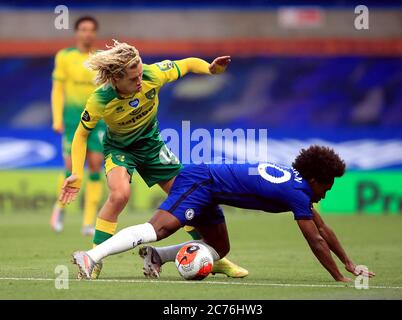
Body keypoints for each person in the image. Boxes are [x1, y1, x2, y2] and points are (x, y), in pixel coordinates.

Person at [60, 40, 248, 279]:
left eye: (140, 74)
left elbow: (189, 64)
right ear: (116, 79)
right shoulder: (100, 99)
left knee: (188, 196)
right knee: (119, 195)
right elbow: (81, 134)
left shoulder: (153, 73)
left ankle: (214, 257)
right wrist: (76, 172)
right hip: (120, 149)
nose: (140, 81)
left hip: (152, 146)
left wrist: (210, 70)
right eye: (133, 78)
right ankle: (95, 259)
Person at [70, 145, 376, 282]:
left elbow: (324, 231)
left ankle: (156, 257)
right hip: (202, 181)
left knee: (220, 249)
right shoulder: (298, 192)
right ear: (314, 179)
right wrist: (338, 278)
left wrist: (349, 264)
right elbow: (316, 241)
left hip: (212, 188)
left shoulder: (298, 187)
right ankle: (92, 255)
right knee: (159, 228)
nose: (328, 190)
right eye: (328, 184)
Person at [50, 16, 105, 236]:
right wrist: (56, 118)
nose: (87, 33)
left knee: (95, 165)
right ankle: (60, 207)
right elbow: (58, 89)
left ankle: (88, 222)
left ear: (95, 33)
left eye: (91, 30)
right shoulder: (64, 57)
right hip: (73, 120)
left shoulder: (102, 58)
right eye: (83, 29)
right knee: (72, 166)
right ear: (77, 33)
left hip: (97, 119)